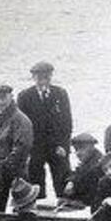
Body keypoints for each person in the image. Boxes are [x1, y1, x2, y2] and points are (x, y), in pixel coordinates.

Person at [16, 61, 73, 197]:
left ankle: (64, 212)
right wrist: (27, 150)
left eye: (45, 75)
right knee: (36, 186)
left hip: (57, 147)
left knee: (63, 184)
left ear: (51, 76)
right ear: (33, 77)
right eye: (38, 76)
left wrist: (64, 146)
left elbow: (67, 123)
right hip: (36, 148)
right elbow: (22, 127)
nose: (42, 79)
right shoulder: (24, 96)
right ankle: (38, 211)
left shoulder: (60, 94)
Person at [0, 83, 34, 201]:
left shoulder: (20, 119)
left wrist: (1, 167)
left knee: (19, 206)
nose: (0, 102)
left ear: (11, 96)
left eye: (3, 98)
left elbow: (21, 149)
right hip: (0, 170)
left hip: (15, 173)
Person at [61, 133, 104, 207]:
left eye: (81, 148)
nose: (78, 153)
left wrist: (72, 200)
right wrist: (71, 181)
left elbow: (91, 194)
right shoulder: (88, 161)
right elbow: (76, 174)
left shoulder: (97, 166)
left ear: (91, 147)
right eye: (76, 149)